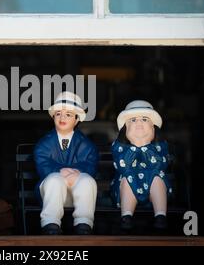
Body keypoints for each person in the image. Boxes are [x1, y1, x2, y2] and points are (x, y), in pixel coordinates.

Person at [34, 91, 99, 235]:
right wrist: (60, 171)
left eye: (68, 114)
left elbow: (90, 163)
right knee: (54, 180)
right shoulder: (44, 143)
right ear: (53, 117)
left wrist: (76, 172)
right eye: (58, 114)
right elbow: (43, 163)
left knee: (87, 181)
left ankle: (84, 223)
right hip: (52, 194)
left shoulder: (86, 144)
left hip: (76, 191)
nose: (62, 117)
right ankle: (50, 223)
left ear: (76, 120)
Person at [110, 100, 172, 231]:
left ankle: (160, 215)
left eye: (144, 119)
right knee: (127, 179)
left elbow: (160, 165)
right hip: (127, 182)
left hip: (152, 182)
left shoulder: (160, 146)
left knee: (157, 179)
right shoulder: (119, 146)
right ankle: (126, 216)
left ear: (153, 127)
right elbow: (122, 166)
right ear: (125, 128)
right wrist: (134, 145)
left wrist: (145, 145)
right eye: (133, 120)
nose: (139, 123)